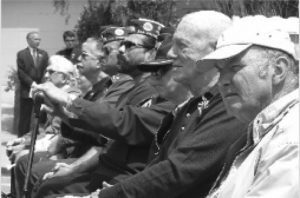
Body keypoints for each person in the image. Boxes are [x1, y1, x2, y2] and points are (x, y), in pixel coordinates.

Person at [62, 11, 247, 198]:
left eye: (182, 45)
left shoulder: (230, 107)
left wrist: (102, 196)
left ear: (215, 50)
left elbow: (176, 173)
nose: (172, 53)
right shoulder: (194, 105)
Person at [31, 19, 176, 197]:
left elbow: (122, 124)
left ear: (151, 53)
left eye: (129, 45)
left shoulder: (156, 92)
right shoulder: (129, 87)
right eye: (121, 45)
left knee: (48, 186)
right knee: (47, 184)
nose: (121, 50)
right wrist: (65, 115)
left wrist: (69, 100)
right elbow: (105, 136)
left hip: (122, 179)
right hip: (107, 170)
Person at [198, 16, 299, 198]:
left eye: (235, 67)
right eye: (220, 71)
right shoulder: (272, 129)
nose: (222, 82)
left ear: (278, 70)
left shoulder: (291, 137)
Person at [10, 55, 80, 198]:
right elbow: (41, 126)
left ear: (64, 78)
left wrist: (28, 144)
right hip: (49, 140)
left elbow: (58, 132)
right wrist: (24, 140)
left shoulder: (69, 96)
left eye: (51, 72)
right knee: (15, 150)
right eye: (46, 71)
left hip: (60, 146)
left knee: (22, 158)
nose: (46, 75)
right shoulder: (50, 93)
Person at [17, 31, 49, 137]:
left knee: (39, 116)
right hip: (27, 90)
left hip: (40, 90)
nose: (38, 41)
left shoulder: (44, 54)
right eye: (36, 39)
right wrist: (32, 84)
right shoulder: (21, 54)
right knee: (25, 117)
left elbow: (46, 70)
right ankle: (21, 138)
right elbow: (21, 73)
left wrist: (43, 85)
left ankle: (36, 138)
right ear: (28, 40)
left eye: (39, 39)